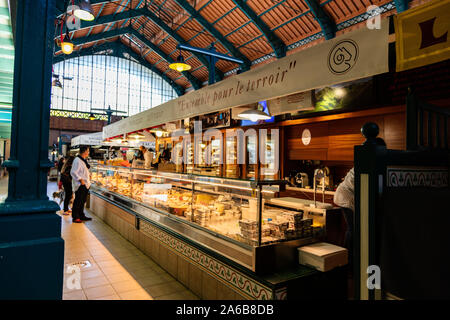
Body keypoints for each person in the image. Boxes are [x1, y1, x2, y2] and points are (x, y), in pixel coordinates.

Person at [334, 137, 386, 264]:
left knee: (354, 228)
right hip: (346, 196)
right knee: (353, 229)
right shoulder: (367, 162)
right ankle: (348, 259)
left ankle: (350, 258)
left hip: (348, 195)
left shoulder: (369, 160)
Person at [70, 146, 92, 223]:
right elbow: (73, 172)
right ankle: (75, 217)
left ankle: (81, 215)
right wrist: (81, 179)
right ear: (85, 151)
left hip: (85, 184)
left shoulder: (83, 160)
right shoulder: (77, 160)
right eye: (88, 150)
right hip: (80, 184)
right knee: (78, 201)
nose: (88, 152)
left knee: (82, 201)